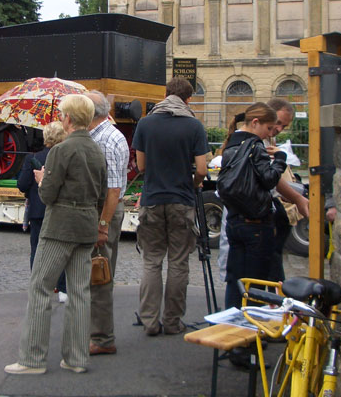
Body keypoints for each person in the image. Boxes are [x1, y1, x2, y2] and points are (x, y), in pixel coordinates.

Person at [5, 94, 107, 375]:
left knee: (39, 287)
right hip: (86, 226)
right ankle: (76, 358)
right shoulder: (97, 150)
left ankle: (32, 359)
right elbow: (102, 194)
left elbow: (48, 194)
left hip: (60, 225)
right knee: (79, 292)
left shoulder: (61, 150)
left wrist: (41, 180)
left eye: (63, 114)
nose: (61, 118)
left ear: (69, 119)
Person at [132, 77, 209, 336]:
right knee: (178, 262)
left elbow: (141, 167)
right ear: (188, 99)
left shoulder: (145, 123)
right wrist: (194, 182)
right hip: (182, 199)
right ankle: (173, 321)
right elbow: (202, 169)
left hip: (153, 199)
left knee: (152, 261)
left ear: (165, 95)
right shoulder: (194, 126)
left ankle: (150, 321)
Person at [219, 102, 289, 308]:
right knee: (256, 281)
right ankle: (253, 333)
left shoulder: (231, 143)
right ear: (255, 122)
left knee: (236, 279)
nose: (269, 134)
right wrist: (280, 159)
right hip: (256, 222)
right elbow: (268, 180)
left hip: (234, 220)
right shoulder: (255, 145)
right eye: (268, 128)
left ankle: (232, 325)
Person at [86, 90, 130, 354]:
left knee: (99, 273)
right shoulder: (106, 134)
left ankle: (102, 338)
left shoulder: (105, 139)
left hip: (104, 211)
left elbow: (113, 189)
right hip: (105, 210)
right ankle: (97, 334)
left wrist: (102, 225)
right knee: (98, 272)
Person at [17, 121, 68, 302]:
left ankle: (38, 287)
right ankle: (62, 289)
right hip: (59, 210)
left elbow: (22, 185)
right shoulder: (66, 157)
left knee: (37, 250)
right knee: (61, 249)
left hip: (38, 210)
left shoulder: (32, 158)